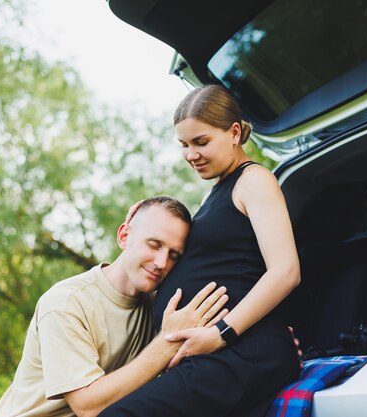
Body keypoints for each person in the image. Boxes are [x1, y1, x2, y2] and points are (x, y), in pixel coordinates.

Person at [99, 85, 301, 417]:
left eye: (201, 142)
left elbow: (286, 271)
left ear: (234, 133)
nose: (191, 154)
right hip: (212, 355)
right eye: (184, 145)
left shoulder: (254, 180)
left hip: (238, 351)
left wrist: (221, 334)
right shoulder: (216, 193)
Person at [0, 196, 229, 417]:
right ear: (124, 236)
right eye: (154, 244)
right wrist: (169, 339)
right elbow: (88, 405)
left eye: (174, 255)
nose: (161, 262)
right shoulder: (66, 303)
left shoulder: (160, 304)